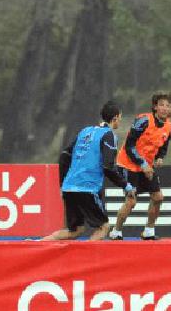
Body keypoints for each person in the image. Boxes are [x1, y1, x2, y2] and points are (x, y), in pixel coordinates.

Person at [43, 100, 136, 241]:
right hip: (87, 188)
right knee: (103, 227)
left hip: (69, 188)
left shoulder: (85, 131)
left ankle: (37, 243)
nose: (120, 121)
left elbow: (64, 156)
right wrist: (126, 186)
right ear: (115, 118)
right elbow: (108, 167)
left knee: (75, 230)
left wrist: (63, 185)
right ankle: (86, 260)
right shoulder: (109, 135)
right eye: (120, 118)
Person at [109, 91, 171, 241]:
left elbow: (163, 147)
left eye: (168, 106)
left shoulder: (169, 128)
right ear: (155, 107)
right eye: (161, 105)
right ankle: (116, 232)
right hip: (127, 165)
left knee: (158, 197)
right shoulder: (143, 121)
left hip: (147, 167)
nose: (165, 108)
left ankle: (149, 231)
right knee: (131, 201)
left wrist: (159, 158)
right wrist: (143, 164)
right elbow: (129, 146)